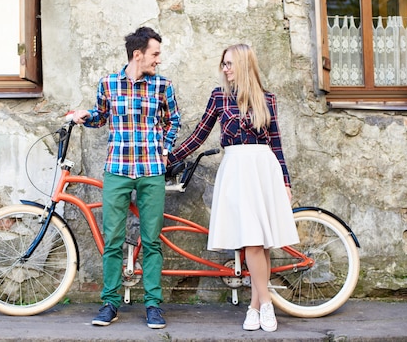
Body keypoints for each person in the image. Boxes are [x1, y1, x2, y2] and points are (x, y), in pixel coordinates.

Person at [168, 44, 299, 332]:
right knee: (251, 239)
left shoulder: (267, 99)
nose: (225, 68)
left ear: (244, 64)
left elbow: (276, 142)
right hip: (236, 167)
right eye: (223, 63)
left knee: (260, 240)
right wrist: (170, 158)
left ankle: (256, 306)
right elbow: (199, 135)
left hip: (262, 167)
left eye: (230, 63)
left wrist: (285, 181)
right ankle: (265, 303)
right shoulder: (218, 98)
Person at [72, 27, 181, 329]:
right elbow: (101, 115)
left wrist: (165, 150)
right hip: (117, 170)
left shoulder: (162, 86)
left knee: (152, 240)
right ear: (138, 54)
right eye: (155, 53)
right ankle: (110, 303)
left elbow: (174, 120)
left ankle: (153, 305)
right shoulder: (108, 83)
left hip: (151, 171)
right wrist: (85, 115)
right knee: (113, 240)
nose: (158, 59)